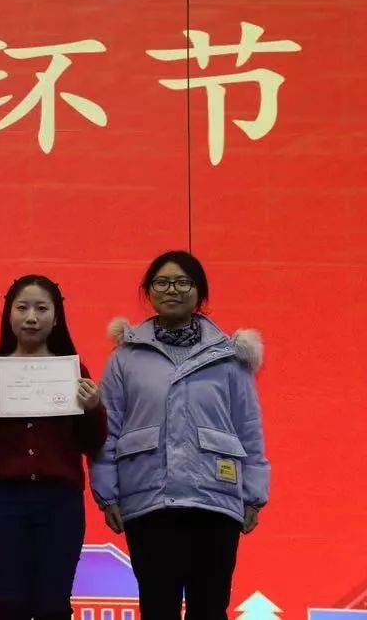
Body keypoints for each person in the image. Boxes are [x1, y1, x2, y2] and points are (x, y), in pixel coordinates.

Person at [90, 250, 270, 620]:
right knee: (158, 608)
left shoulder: (229, 356)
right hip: (148, 501)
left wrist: (253, 494)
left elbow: (248, 427)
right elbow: (108, 426)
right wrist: (107, 493)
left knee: (210, 608)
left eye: (183, 282)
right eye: (162, 282)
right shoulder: (125, 358)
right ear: (148, 292)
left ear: (200, 292)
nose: (172, 290)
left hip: (215, 501)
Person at [0, 274, 107, 620]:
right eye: (22, 308)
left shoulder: (73, 370)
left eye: (42, 309)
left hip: (60, 501)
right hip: (5, 500)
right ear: (8, 314)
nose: (31, 317)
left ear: (56, 318)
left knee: (54, 605)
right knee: (12, 602)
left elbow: (93, 442)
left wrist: (93, 408)